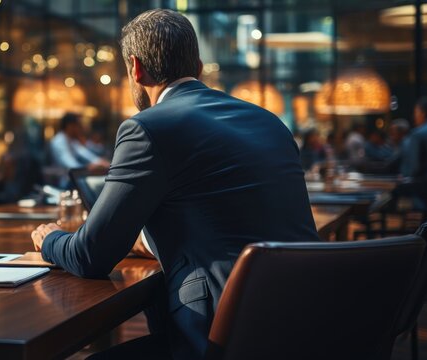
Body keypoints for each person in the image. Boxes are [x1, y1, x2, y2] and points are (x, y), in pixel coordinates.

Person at [31, 9, 318, 359]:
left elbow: (90, 256)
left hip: (220, 337)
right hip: (301, 327)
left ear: (135, 69)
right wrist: (152, 241)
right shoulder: (269, 122)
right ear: (197, 67)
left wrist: (50, 239)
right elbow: (229, 216)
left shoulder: (147, 128)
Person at [49, 113, 109, 187]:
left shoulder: (71, 140)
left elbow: (84, 153)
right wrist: (90, 167)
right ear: (70, 126)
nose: (80, 128)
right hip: (63, 182)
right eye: (78, 125)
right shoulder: (58, 141)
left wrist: (100, 162)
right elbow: (71, 165)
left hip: (73, 178)